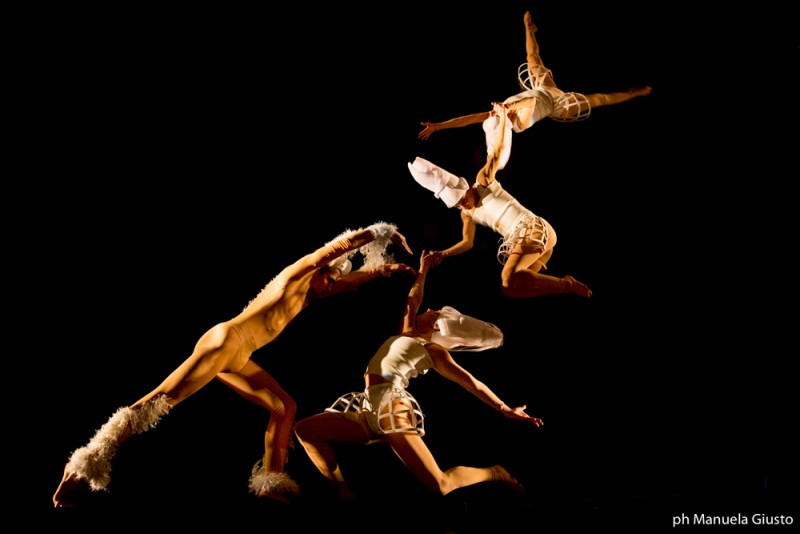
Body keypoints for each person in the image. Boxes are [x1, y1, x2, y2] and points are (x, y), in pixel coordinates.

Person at [52, 221, 416, 508]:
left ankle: (270, 485)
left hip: (239, 355)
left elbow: (347, 282)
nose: (332, 284)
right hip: (225, 342)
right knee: (159, 401)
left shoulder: (309, 294)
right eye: (330, 277)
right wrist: (377, 233)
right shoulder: (295, 276)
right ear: (320, 271)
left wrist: (386, 270)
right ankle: (79, 467)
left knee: (283, 407)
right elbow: (334, 249)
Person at [294, 250, 542, 502]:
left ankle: (494, 473)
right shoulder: (407, 333)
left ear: (436, 326)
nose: (430, 309)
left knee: (441, 484)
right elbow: (413, 300)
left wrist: (504, 409)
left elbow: (471, 383)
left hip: (392, 406)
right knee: (305, 430)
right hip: (368, 404)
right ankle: (342, 491)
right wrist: (423, 270)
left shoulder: (433, 350)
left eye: (434, 312)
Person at [418, 10, 652, 170]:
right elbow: (512, 126)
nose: (498, 109)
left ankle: (529, 28)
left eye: (497, 113)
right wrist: (502, 113)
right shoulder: (515, 121)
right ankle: (634, 94)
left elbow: (468, 119)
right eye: (499, 114)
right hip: (557, 105)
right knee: (599, 99)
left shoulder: (498, 113)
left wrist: (438, 126)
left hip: (542, 89)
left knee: (532, 57)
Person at [409, 102, 592, 298]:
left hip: (534, 230)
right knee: (510, 289)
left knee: (507, 276)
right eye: (457, 205)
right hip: (527, 243)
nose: (462, 205)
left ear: (467, 187)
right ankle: (562, 287)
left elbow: (497, 151)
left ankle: (566, 283)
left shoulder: (484, 182)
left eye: (462, 199)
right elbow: (467, 242)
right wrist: (442, 254)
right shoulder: (467, 214)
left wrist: (504, 116)